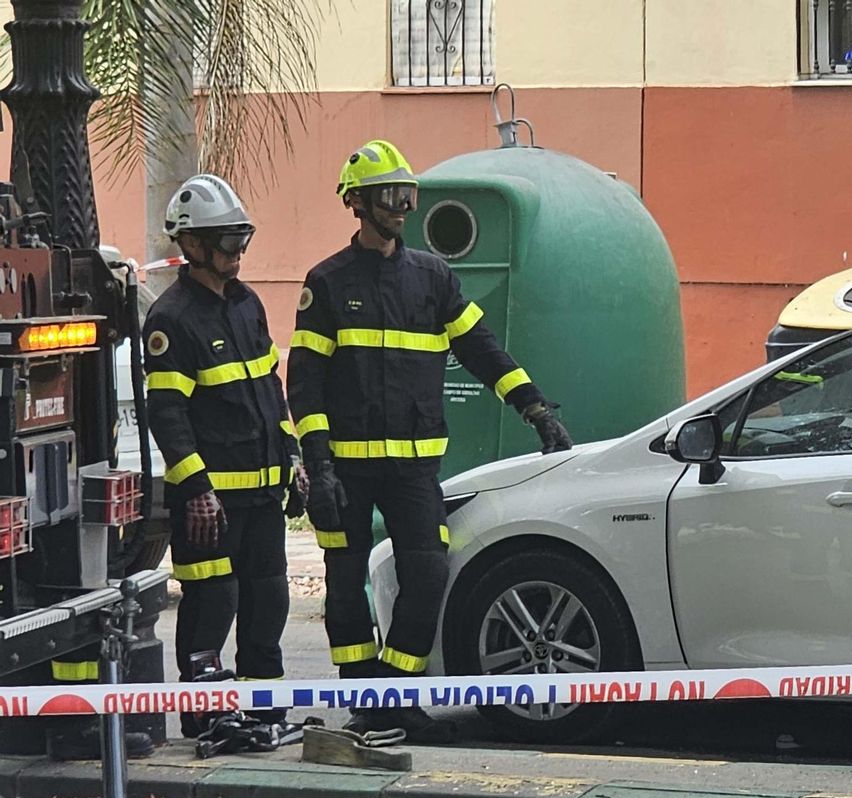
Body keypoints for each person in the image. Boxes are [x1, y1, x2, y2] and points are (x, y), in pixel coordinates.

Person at [288, 139, 571, 744]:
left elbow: (482, 350)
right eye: (390, 196)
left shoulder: (433, 277)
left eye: (408, 195)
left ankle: (396, 689)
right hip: (345, 468)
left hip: (414, 471)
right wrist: (319, 464)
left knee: (426, 573)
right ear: (358, 203)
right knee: (346, 581)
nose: (401, 207)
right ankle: (361, 693)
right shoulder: (328, 283)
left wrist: (535, 408)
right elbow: (304, 386)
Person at [142, 173, 307, 743]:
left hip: (263, 493)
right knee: (215, 602)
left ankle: (263, 708)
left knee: (269, 600)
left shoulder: (247, 305)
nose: (237, 252)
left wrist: (293, 456)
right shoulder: (171, 318)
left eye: (242, 239)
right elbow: (167, 415)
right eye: (226, 240)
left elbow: (270, 388)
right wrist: (197, 490)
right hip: (211, 502)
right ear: (191, 245)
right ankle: (206, 712)